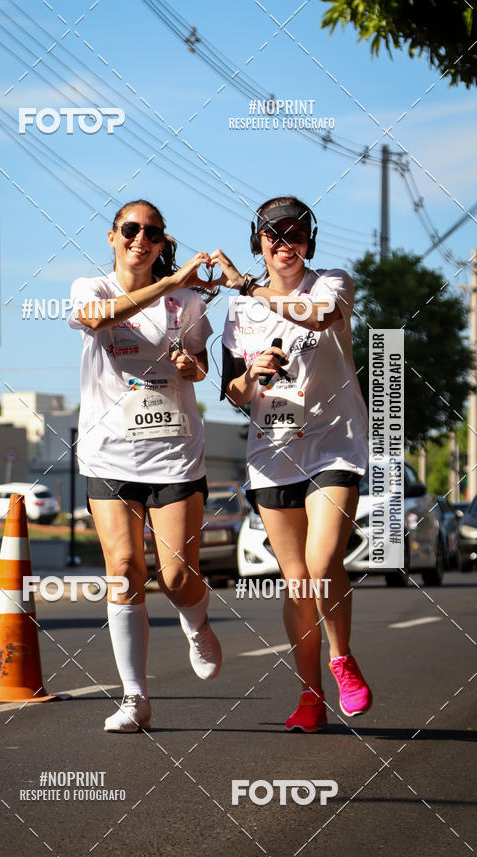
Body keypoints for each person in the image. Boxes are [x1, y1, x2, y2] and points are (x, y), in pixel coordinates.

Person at [213, 195, 371, 733]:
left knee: (324, 561)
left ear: (310, 240)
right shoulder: (239, 311)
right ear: (257, 241)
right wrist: (252, 372)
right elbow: (231, 393)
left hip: (334, 444)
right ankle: (310, 696)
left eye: (295, 235)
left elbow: (320, 317)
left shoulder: (332, 283)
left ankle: (341, 658)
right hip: (273, 451)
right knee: (298, 580)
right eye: (273, 236)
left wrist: (247, 287)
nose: (285, 246)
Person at [68, 199, 222, 733]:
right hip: (108, 452)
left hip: (174, 453)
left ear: (161, 241)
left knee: (177, 574)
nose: (140, 239)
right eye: (130, 230)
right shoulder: (91, 288)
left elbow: (202, 367)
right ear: (113, 236)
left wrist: (191, 364)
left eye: (151, 232)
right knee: (124, 571)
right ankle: (135, 699)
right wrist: (171, 279)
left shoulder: (187, 302)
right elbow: (100, 319)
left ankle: (196, 620)